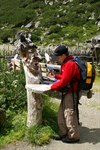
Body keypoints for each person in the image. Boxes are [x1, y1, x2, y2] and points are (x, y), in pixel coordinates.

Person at [48, 45, 81, 143]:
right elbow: (64, 76)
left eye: (58, 57)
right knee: (61, 113)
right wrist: (56, 76)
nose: (57, 59)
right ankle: (63, 133)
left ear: (63, 55)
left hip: (72, 92)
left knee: (69, 113)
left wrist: (51, 87)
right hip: (68, 92)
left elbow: (64, 81)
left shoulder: (70, 64)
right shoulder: (66, 63)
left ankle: (73, 136)